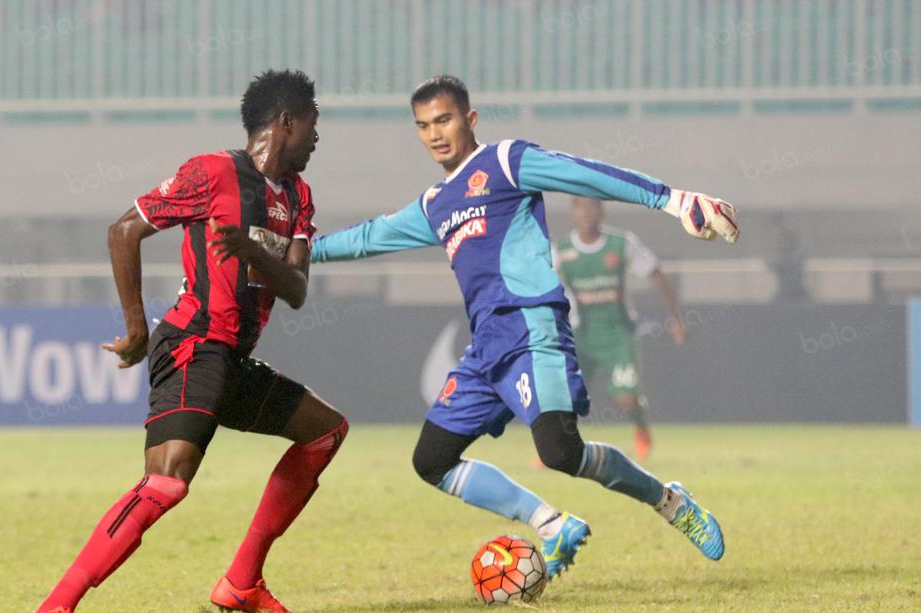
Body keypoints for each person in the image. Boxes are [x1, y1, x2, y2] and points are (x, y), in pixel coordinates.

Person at [310, 76, 736, 578]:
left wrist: (670, 199)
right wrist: (294, 253)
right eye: (422, 126)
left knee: (560, 452)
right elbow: (368, 237)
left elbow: (586, 176)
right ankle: (551, 524)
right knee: (432, 460)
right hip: (485, 348)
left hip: (533, 329)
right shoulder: (435, 204)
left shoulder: (506, 162)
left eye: (443, 120)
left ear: (469, 119)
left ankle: (671, 503)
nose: (434, 134)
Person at [24, 69, 348, 613]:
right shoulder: (211, 172)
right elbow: (124, 231)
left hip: (232, 359)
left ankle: (241, 584)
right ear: (287, 122)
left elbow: (294, 289)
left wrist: (252, 252)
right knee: (169, 480)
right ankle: (54, 608)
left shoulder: (297, 196)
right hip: (192, 345)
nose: (318, 138)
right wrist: (136, 329)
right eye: (314, 125)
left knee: (326, 431)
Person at [553, 196, 687, 461]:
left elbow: (656, 274)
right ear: (573, 211)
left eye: (592, 206)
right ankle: (556, 447)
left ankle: (641, 429)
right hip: (582, 336)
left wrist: (676, 318)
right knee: (566, 398)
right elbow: (542, 288)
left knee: (626, 399)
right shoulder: (561, 250)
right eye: (581, 206)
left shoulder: (622, 243)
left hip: (619, 335)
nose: (587, 213)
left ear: (602, 211)